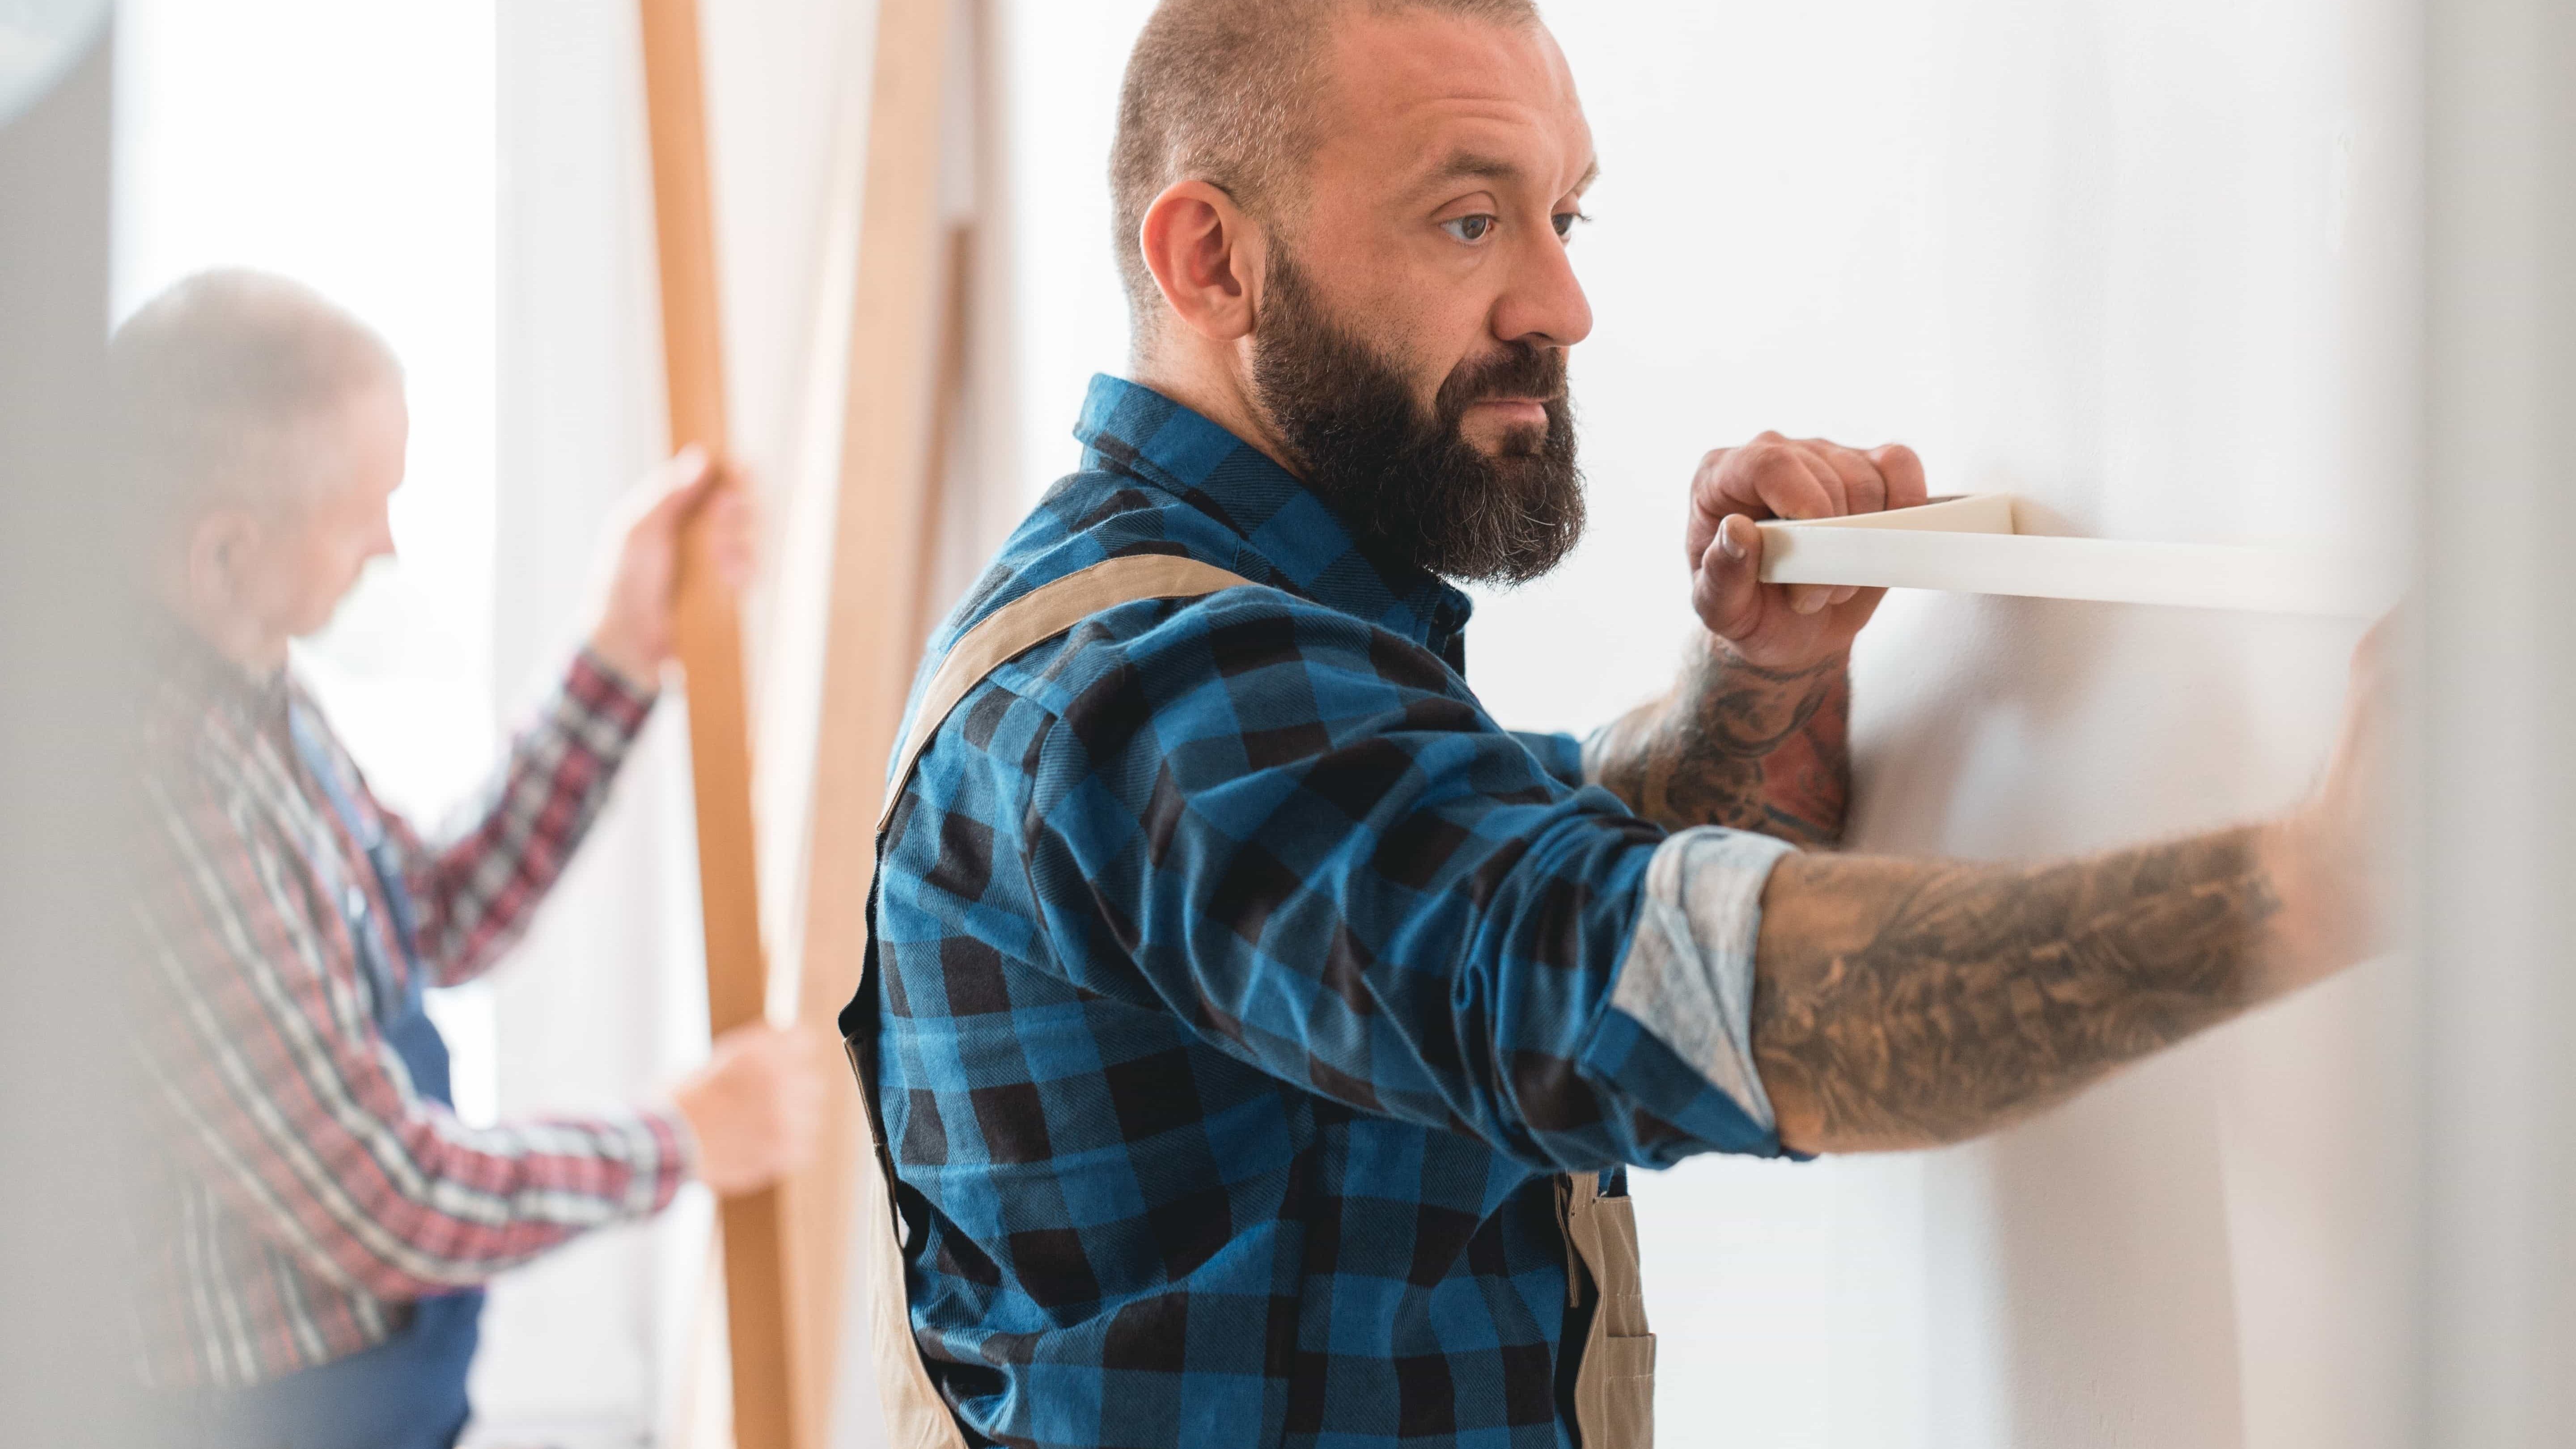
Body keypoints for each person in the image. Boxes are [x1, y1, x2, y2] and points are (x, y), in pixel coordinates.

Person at [846, 3, 2396, 1448]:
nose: (1561, 304)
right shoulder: (1158, 692)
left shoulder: (1258, 631)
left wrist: (1753, 695)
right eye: (1469, 219)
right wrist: (2320, 883)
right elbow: (1596, 974)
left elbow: (1458, 887)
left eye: (1561, 214)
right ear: (1213, 263)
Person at [117, 269, 832, 1449]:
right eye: (359, 514)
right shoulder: (157, 793)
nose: (387, 546)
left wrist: (620, 649)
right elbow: (380, 1196)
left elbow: (434, 912)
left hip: (378, 1391)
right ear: (225, 553)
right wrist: (682, 1136)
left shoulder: (242, 689)